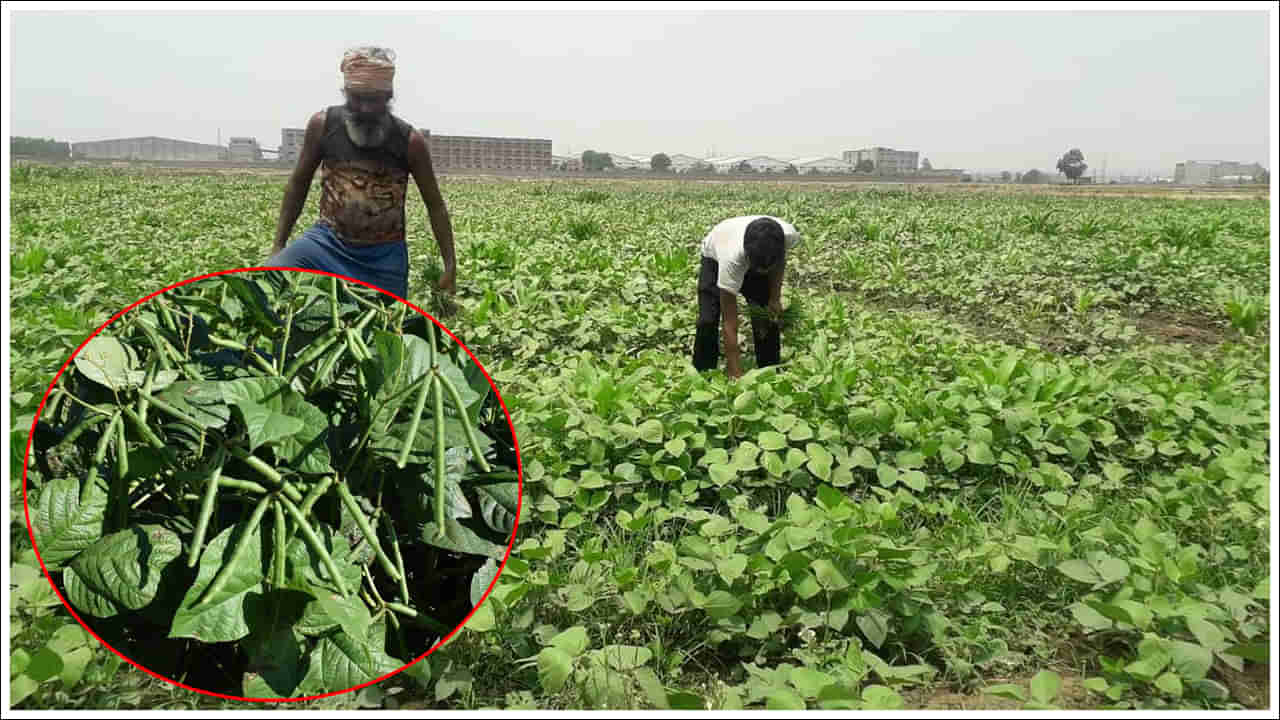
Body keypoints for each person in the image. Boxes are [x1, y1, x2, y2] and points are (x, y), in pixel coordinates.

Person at [267, 46, 456, 300]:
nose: (365, 108)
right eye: (357, 98)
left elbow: (435, 205)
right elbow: (298, 184)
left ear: (389, 96)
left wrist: (450, 265)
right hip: (326, 243)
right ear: (345, 93)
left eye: (374, 99)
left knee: (383, 324)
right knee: (271, 275)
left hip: (383, 255)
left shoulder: (409, 141)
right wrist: (279, 244)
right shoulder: (323, 125)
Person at [693, 215, 802, 379]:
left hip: (759, 253)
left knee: (766, 316)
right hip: (714, 257)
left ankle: (770, 369)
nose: (763, 273)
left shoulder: (787, 236)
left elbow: (779, 262)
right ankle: (703, 372)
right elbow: (730, 323)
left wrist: (774, 297)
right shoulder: (730, 258)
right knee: (707, 320)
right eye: (760, 269)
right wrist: (735, 371)